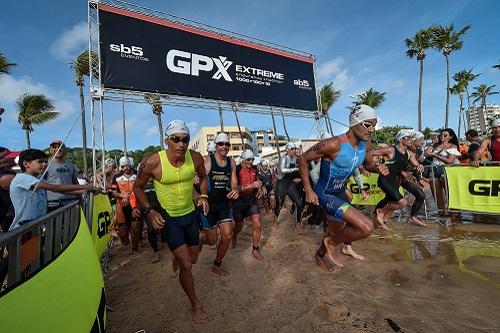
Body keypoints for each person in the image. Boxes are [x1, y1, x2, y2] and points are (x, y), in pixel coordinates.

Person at [133, 119, 209, 323]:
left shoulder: (195, 158)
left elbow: (203, 177)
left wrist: (203, 196)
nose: (181, 144)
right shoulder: (153, 162)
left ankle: (178, 255)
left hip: (190, 216)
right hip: (170, 219)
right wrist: (149, 211)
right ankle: (196, 305)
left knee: (193, 258)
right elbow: (137, 187)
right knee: (187, 265)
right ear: (167, 140)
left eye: (185, 139)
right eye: (176, 139)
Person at [297, 105, 388, 271]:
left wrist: (377, 168)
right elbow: (302, 159)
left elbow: (367, 164)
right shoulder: (333, 144)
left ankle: (319, 256)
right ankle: (331, 243)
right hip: (325, 193)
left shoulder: (365, 145)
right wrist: (309, 190)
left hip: (340, 193)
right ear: (354, 122)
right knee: (367, 227)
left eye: (374, 125)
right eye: (368, 125)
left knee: (334, 230)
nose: (372, 130)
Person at [9, 149, 91, 230]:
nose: (44, 164)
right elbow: (55, 187)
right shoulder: (23, 178)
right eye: (40, 161)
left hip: (35, 226)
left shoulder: (38, 179)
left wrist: (89, 191)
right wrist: (86, 186)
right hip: (23, 227)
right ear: (26, 164)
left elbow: (62, 190)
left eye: (45, 162)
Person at [200, 132, 239, 276]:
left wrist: (235, 189)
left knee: (227, 235)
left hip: (223, 204)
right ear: (216, 146)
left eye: (227, 144)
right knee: (212, 240)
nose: (224, 147)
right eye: (221, 144)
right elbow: (194, 182)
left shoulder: (232, 163)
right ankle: (200, 239)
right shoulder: (207, 161)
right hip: (208, 206)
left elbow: (234, 182)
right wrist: (199, 197)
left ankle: (217, 264)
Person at [374, 129, 425, 229]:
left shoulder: (409, 153)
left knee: (391, 200)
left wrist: (419, 166)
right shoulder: (391, 149)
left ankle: (381, 223)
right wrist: (377, 164)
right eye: (408, 138)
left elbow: (415, 163)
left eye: (411, 138)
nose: (410, 140)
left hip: (395, 181)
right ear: (401, 139)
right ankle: (381, 212)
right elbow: (373, 154)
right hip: (385, 180)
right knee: (402, 202)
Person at [231, 149, 264, 260]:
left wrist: (260, 187)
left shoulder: (254, 169)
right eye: (248, 159)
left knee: (258, 225)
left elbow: (258, 181)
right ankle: (234, 236)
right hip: (239, 203)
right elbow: (233, 189)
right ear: (243, 160)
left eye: (252, 159)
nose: (251, 161)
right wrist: (252, 186)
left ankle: (255, 249)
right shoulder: (237, 170)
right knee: (238, 227)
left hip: (251, 201)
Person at [424, 128, 461, 211]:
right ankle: (441, 213)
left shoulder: (453, 146)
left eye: (445, 135)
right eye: (441, 135)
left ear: (450, 137)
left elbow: (449, 161)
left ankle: (454, 214)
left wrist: (435, 155)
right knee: (436, 194)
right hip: (434, 169)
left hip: (446, 169)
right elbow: (426, 153)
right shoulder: (436, 145)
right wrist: (432, 144)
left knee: (450, 194)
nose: (442, 136)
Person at [112, 156, 142, 251]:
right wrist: (121, 195)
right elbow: (113, 192)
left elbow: (142, 188)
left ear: (131, 165)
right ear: (121, 167)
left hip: (135, 204)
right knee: (122, 232)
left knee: (136, 228)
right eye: (123, 166)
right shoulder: (116, 177)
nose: (126, 168)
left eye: (127, 166)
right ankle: (126, 240)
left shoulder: (137, 174)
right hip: (122, 205)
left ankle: (134, 248)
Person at [275, 142, 304, 232]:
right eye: (292, 149)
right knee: (279, 205)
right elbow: (283, 170)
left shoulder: (295, 158)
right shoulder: (284, 159)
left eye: (295, 149)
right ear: (287, 150)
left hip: (290, 185)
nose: (294, 150)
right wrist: (295, 169)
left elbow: (301, 165)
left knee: (299, 204)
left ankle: (297, 224)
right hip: (282, 184)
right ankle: (275, 222)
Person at [44, 139, 79, 212]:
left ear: (65, 149)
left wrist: (80, 198)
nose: (57, 149)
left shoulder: (71, 165)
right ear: (50, 150)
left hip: (71, 202)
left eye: (60, 146)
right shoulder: (45, 165)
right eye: (54, 147)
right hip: (52, 203)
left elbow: (75, 182)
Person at [0, 148, 18, 232]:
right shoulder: (4, 176)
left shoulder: (10, 172)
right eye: (10, 157)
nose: (14, 158)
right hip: (9, 215)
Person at [258, 159, 277, 226]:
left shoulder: (270, 170)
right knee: (265, 199)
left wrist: (273, 183)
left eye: (266, 165)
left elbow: (274, 178)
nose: (265, 167)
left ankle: (273, 210)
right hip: (264, 188)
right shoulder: (259, 172)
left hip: (270, 187)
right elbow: (258, 182)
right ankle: (267, 210)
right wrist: (262, 187)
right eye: (264, 166)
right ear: (261, 166)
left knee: (272, 198)